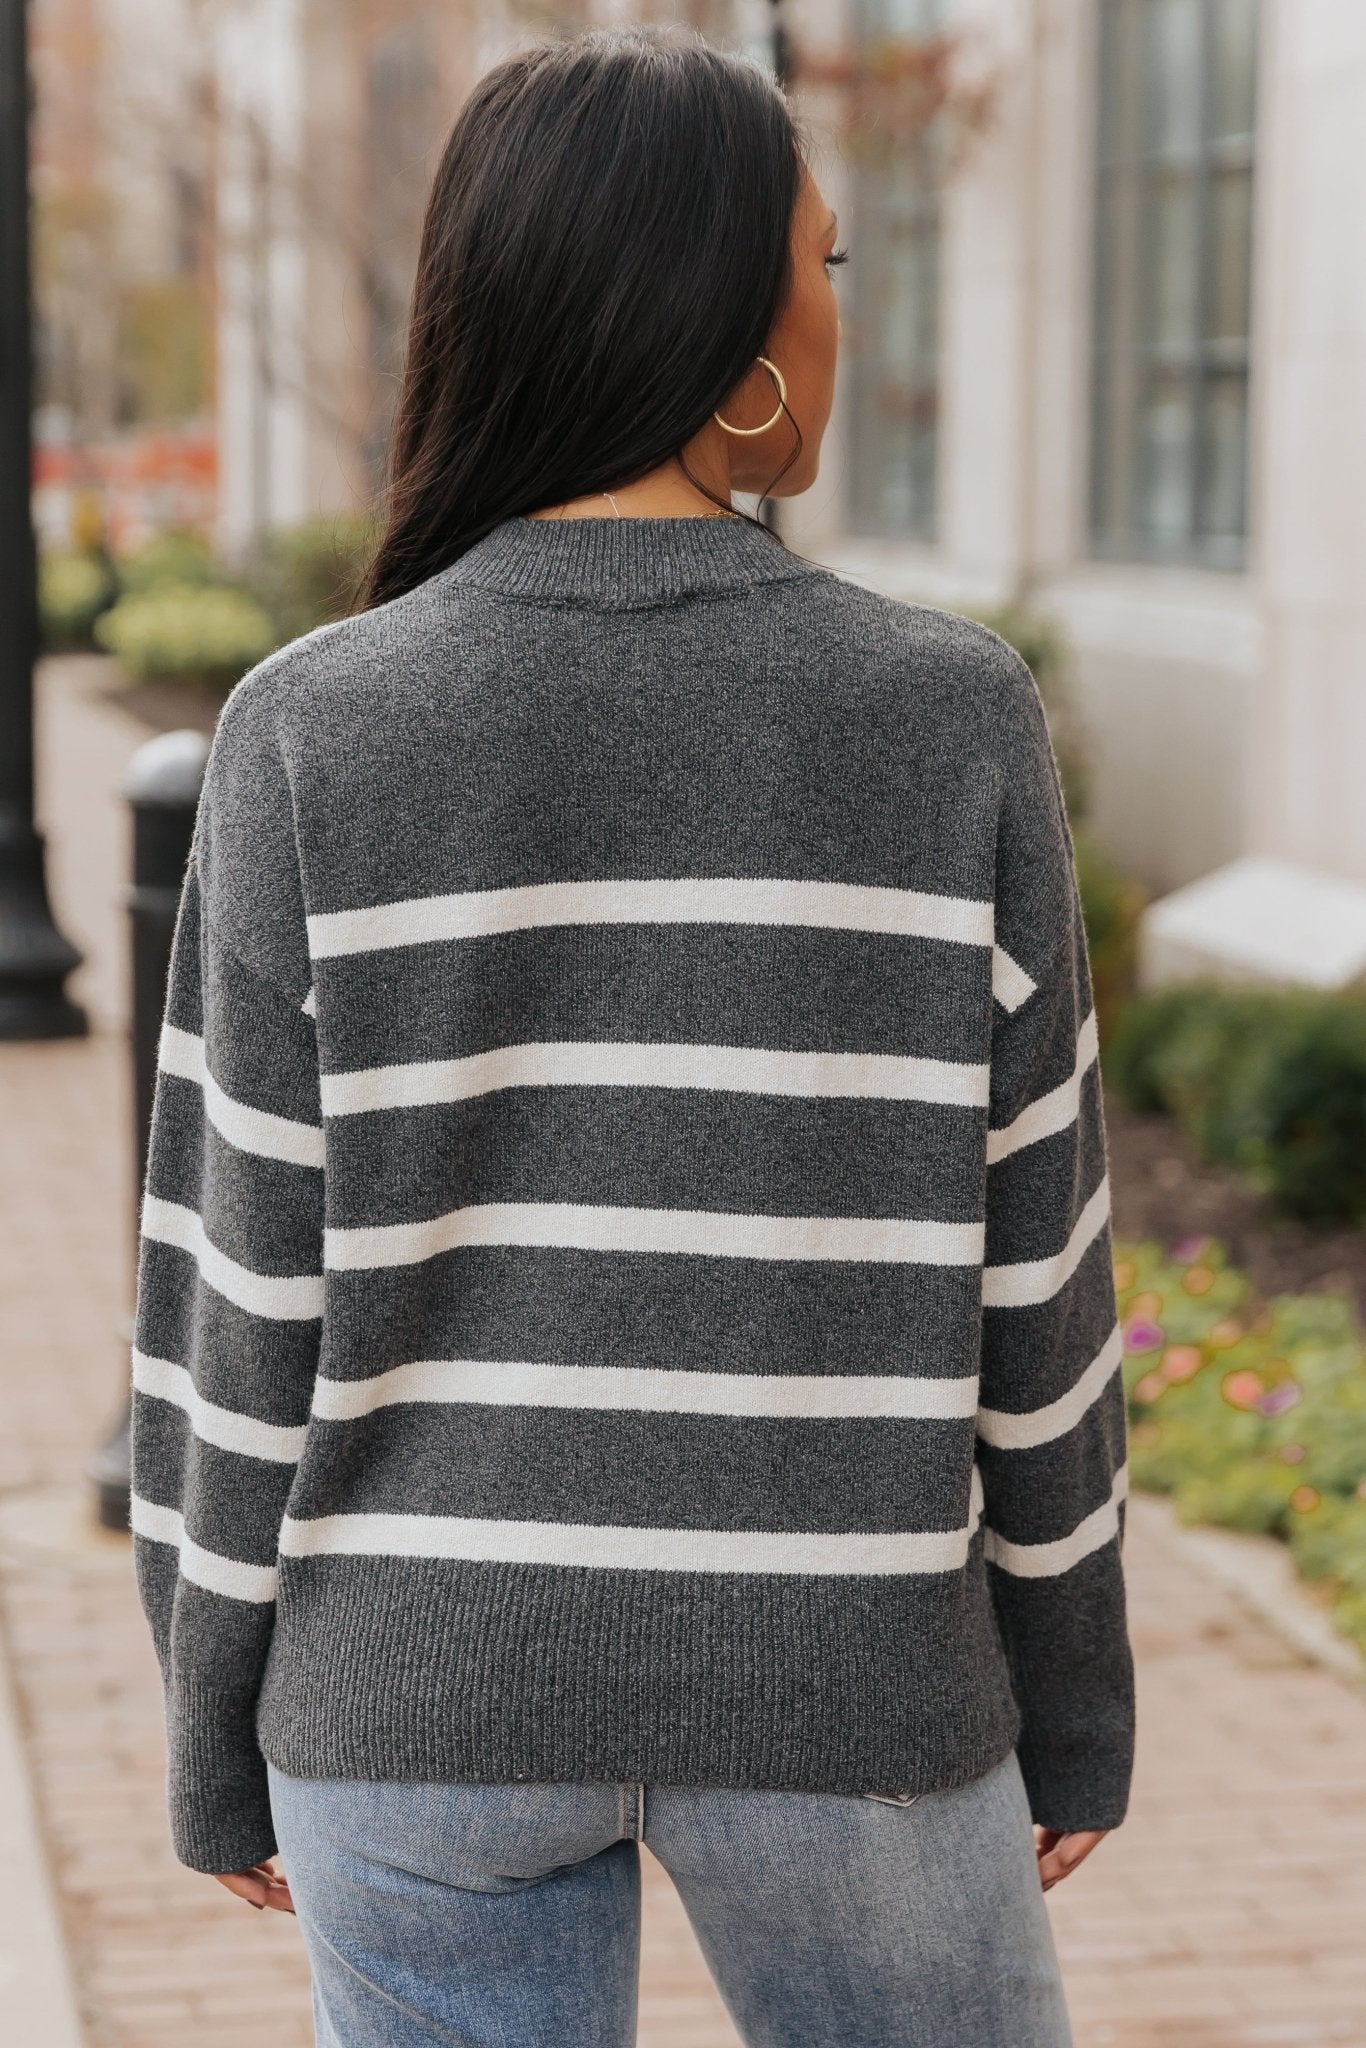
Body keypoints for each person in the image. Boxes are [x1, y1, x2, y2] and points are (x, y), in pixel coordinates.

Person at [130, 25, 1133, 2048]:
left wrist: (209, 1703)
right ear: (723, 325)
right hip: (850, 1686)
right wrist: (1075, 1702)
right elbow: (1036, 1271)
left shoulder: (310, 728)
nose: (839, 317)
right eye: (823, 268)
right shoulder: (944, 717)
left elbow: (237, 1289)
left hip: (409, 1693)